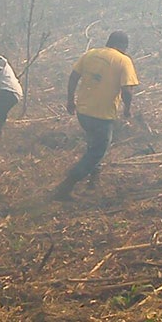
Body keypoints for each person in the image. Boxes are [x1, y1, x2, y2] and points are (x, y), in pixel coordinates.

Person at [53, 31, 139, 202]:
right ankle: (66, 185)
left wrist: (70, 101)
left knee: (93, 146)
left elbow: (73, 77)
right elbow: (127, 91)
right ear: (124, 46)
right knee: (98, 151)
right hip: (103, 115)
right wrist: (127, 109)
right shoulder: (123, 60)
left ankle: (93, 183)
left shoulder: (91, 54)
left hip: (83, 113)